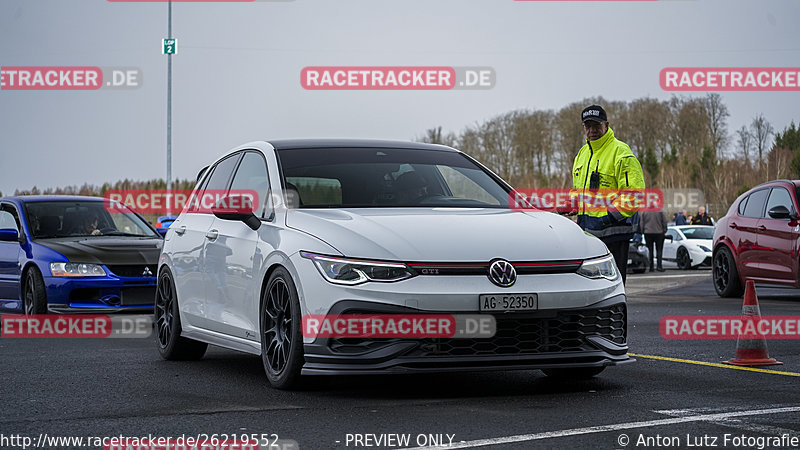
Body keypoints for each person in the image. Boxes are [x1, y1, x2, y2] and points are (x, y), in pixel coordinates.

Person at [570, 105, 646, 284]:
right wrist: (571, 205)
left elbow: (634, 194)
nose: (592, 130)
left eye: (596, 125)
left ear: (607, 125)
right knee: (591, 285)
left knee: (613, 286)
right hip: (587, 234)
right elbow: (578, 189)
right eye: (587, 126)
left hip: (614, 235)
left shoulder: (621, 152)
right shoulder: (582, 153)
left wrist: (609, 217)